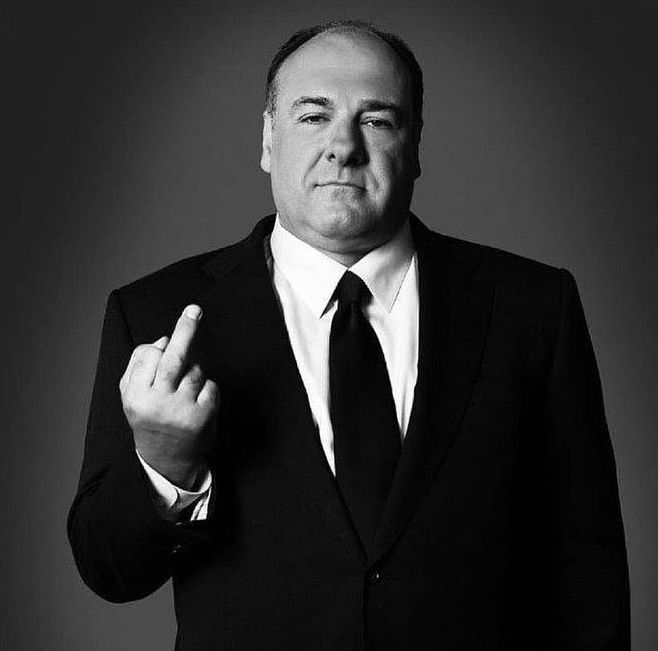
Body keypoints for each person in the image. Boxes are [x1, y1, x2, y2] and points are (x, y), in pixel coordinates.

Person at [68, 20, 630, 650]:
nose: (344, 146)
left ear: (415, 145)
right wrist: (164, 462)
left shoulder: (532, 307)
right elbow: (108, 569)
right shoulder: (155, 313)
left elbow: (589, 570)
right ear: (267, 140)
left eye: (377, 120)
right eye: (314, 116)